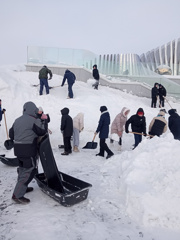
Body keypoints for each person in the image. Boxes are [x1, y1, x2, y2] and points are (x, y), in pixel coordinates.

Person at [9, 101, 47, 204]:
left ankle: (22, 188)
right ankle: (17, 195)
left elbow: (11, 134)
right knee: (29, 171)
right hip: (28, 150)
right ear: (34, 109)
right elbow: (41, 131)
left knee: (22, 170)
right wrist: (42, 120)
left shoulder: (17, 120)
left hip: (18, 150)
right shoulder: (34, 120)